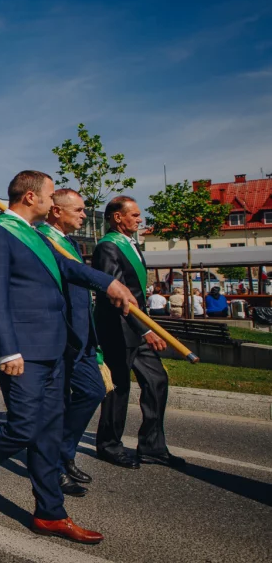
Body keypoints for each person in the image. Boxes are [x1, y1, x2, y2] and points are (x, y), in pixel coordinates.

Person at [0, 170, 133, 543]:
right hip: (22, 351)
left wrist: (109, 282)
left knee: (48, 434)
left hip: (53, 348)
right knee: (24, 427)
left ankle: (50, 513)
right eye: (49, 196)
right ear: (31, 197)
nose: (53, 204)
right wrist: (8, 348)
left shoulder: (35, 235)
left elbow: (68, 268)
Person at [93, 196, 185, 471]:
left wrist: (148, 327)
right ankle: (109, 445)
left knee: (157, 381)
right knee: (118, 389)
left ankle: (152, 446)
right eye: (133, 214)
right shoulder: (107, 247)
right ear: (117, 217)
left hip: (139, 328)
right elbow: (116, 295)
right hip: (117, 330)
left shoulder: (130, 244)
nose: (139, 219)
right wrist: (146, 330)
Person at [36, 189, 108, 498]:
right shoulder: (41, 239)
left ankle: (64, 452)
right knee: (57, 406)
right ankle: (55, 465)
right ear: (56, 211)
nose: (83, 215)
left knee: (94, 390)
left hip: (83, 337)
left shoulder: (73, 243)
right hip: (62, 337)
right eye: (77, 210)